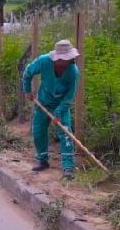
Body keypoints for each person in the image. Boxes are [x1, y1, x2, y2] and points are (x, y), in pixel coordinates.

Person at [21, 39, 80, 181]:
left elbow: (70, 96)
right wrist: (28, 91)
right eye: (65, 59)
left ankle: (68, 167)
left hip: (61, 105)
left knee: (66, 133)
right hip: (42, 102)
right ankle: (42, 160)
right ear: (57, 58)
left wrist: (59, 112)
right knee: (38, 131)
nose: (69, 61)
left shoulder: (73, 72)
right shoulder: (43, 61)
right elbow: (28, 73)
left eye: (70, 58)